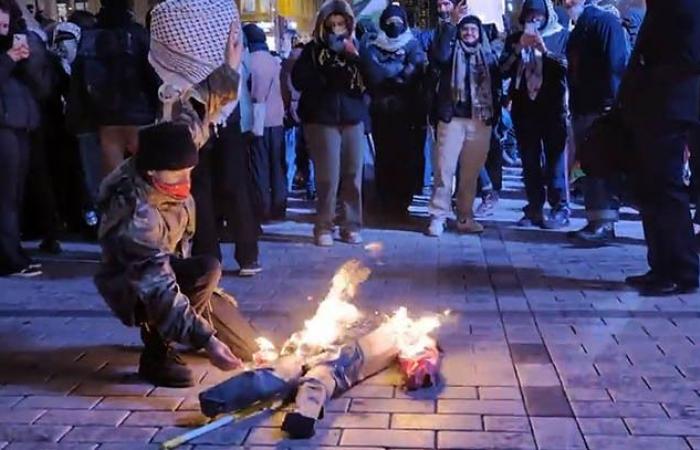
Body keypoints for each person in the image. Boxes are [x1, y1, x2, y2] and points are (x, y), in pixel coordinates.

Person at [94, 123, 242, 387]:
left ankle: (183, 325)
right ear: (151, 170)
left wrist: (202, 302)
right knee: (207, 271)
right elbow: (156, 284)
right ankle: (157, 352)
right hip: (132, 285)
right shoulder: (135, 212)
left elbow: (178, 253)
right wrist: (206, 339)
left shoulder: (170, 185)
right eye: (178, 174)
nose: (185, 181)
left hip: (164, 272)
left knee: (249, 347)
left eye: (190, 172)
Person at [618, 0, 700, 296]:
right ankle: (662, 266)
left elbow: (689, 56)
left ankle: (683, 269)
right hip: (655, 107)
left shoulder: (684, 6)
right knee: (651, 189)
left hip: (670, 105)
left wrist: (648, 71)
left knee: (666, 188)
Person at [292, 0, 368, 247]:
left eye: (341, 23)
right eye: (332, 24)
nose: (337, 28)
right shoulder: (313, 51)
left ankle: (351, 225)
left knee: (353, 174)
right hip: (322, 120)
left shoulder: (356, 47)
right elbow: (299, 80)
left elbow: (372, 78)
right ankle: (324, 225)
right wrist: (326, 72)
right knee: (328, 177)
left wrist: (354, 58)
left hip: (352, 118)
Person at [426, 13, 502, 237]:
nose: (469, 33)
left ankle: (465, 216)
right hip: (452, 120)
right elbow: (437, 56)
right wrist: (451, 24)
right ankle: (438, 216)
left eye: (474, 30)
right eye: (465, 29)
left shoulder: (488, 56)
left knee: (470, 173)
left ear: (480, 34)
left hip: (480, 122)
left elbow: (499, 78)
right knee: (443, 170)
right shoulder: (450, 53)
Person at [500, 0, 570, 229]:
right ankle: (534, 208)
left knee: (555, 161)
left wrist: (545, 51)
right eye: (530, 16)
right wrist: (518, 48)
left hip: (552, 106)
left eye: (538, 16)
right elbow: (502, 70)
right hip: (524, 108)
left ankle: (560, 207)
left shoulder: (561, 36)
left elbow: (566, 68)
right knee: (529, 161)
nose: (534, 20)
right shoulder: (515, 39)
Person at [564, 0, 629, 244]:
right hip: (585, 106)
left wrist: (611, 103)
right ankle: (596, 220)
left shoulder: (603, 22)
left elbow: (615, 64)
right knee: (590, 165)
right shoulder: (583, 26)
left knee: (600, 164)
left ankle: (603, 223)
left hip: (598, 107)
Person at [362, 4, 427, 219]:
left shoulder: (412, 45)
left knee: (405, 159)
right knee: (384, 158)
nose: (394, 26)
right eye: (389, 22)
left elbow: (412, 76)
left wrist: (395, 74)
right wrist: (399, 72)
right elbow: (374, 75)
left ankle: (402, 204)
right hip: (381, 114)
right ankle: (384, 201)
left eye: (398, 22)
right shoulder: (373, 46)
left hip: (407, 115)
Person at [86, 0, 159, 178]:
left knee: (114, 178)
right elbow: (152, 74)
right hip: (140, 114)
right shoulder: (138, 34)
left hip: (106, 116)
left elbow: (82, 75)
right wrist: (158, 107)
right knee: (146, 175)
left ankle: (118, 204)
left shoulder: (91, 36)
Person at [0, 0, 42, 277]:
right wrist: (9, 59)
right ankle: (8, 257)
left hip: (19, 124)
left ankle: (13, 250)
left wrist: (29, 57)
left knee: (14, 196)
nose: (3, 30)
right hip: (4, 126)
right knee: (5, 197)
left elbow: (40, 84)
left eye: (5, 25)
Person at [244, 23, 287, 222]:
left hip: (256, 122)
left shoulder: (248, 62)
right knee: (278, 165)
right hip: (277, 119)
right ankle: (280, 205)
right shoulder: (275, 61)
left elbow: (252, 95)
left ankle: (263, 208)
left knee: (259, 165)